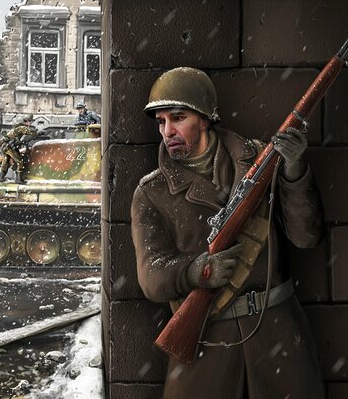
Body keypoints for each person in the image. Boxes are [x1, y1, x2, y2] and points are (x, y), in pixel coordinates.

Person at [131, 67, 324, 398]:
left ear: (205, 119)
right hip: (208, 335)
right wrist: (197, 270)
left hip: (276, 327)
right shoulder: (151, 192)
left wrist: (293, 170)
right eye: (161, 121)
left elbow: (306, 236)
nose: (168, 130)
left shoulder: (262, 160)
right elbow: (151, 276)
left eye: (178, 117)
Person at [0, 114, 37, 184]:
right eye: (30, 121)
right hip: (10, 146)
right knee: (19, 161)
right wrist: (38, 132)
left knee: (6, 161)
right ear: (26, 121)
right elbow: (30, 132)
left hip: (4, 146)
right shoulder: (22, 127)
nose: (30, 123)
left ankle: (0, 177)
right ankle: (18, 179)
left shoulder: (15, 128)